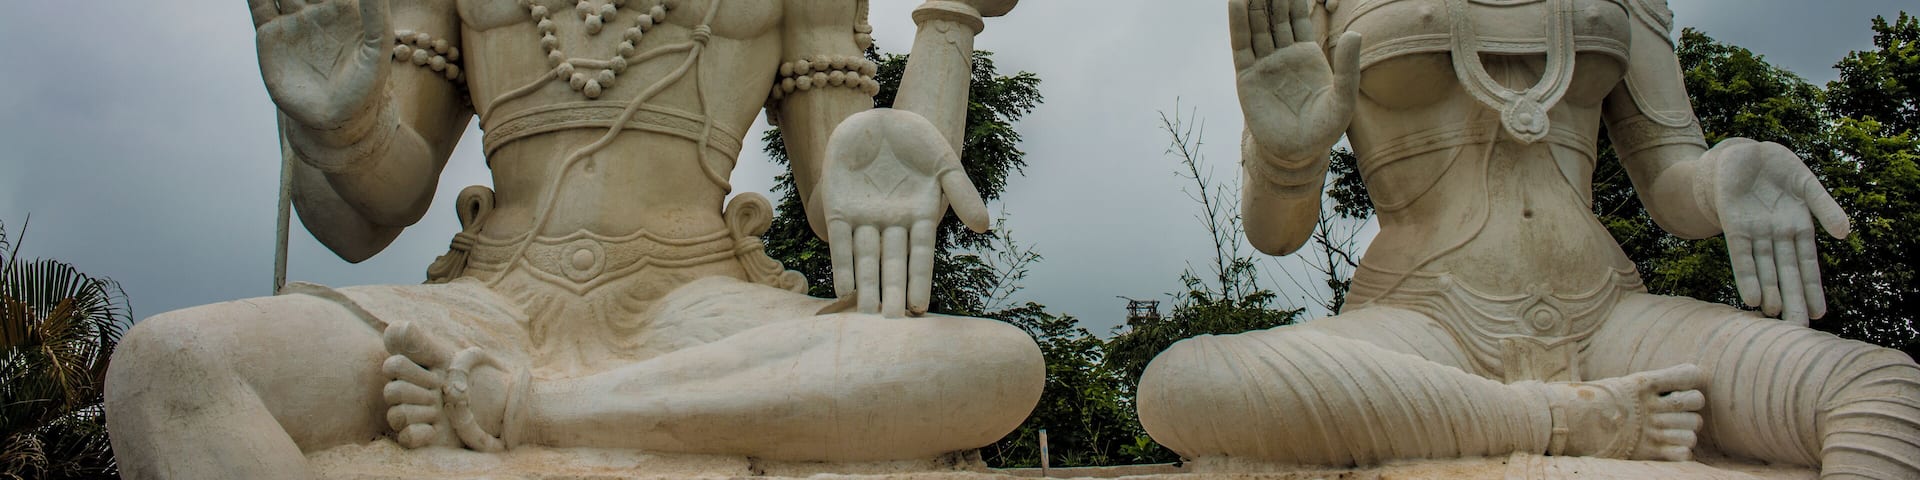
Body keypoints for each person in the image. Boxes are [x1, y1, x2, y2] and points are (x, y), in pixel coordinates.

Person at [104, 0, 1043, 478]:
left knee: (997, 367)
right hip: (484, 308)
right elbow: (358, 222)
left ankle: (546, 416)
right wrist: (341, 129)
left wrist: (946, 26)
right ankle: (536, 403)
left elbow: (847, 219)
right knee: (171, 366)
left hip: (696, 312)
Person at [1136, 0, 1920, 477]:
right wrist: (1286, 158)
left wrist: (1725, 176)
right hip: (1424, 326)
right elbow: (1277, 233)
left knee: (1883, 392)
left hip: (1612, 318)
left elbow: (1671, 183)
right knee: (1184, 382)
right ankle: (1559, 417)